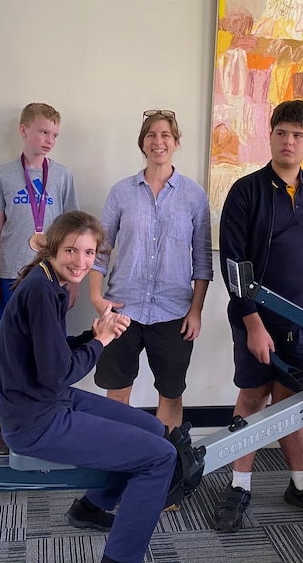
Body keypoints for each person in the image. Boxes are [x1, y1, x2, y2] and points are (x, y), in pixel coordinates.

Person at [0, 210, 177, 563]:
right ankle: (121, 558)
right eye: (71, 251)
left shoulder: (47, 281)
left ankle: (90, 507)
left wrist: (91, 335)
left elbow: (49, 351)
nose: (80, 261)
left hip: (46, 401)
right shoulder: (42, 290)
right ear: (53, 250)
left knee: (154, 427)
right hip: (36, 420)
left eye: (89, 253)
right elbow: (57, 373)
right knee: (160, 456)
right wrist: (101, 342)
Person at [216, 99, 303, 532]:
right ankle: (239, 484)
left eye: (297, 135)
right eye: (281, 133)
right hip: (257, 319)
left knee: (294, 403)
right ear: (270, 135)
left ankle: (302, 482)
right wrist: (252, 323)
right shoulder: (246, 191)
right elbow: (233, 263)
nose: (288, 141)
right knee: (254, 399)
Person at [90, 109, 213, 431]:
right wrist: (96, 297)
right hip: (122, 309)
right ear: (142, 143)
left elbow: (202, 258)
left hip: (173, 312)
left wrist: (196, 310)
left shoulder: (194, 195)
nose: (158, 142)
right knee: (116, 392)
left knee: (170, 395)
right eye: (151, 136)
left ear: (176, 142)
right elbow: (101, 249)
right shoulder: (121, 192)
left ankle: (168, 467)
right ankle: (115, 463)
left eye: (165, 136)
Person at [0, 102, 79, 455]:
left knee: (47, 353)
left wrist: (74, 281)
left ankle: (43, 421)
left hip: (51, 280)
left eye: (54, 134)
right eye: (42, 131)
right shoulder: (4, 174)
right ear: (23, 130)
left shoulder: (64, 176)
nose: (49, 139)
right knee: (6, 355)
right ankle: (8, 425)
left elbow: (75, 234)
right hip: (10, 277)